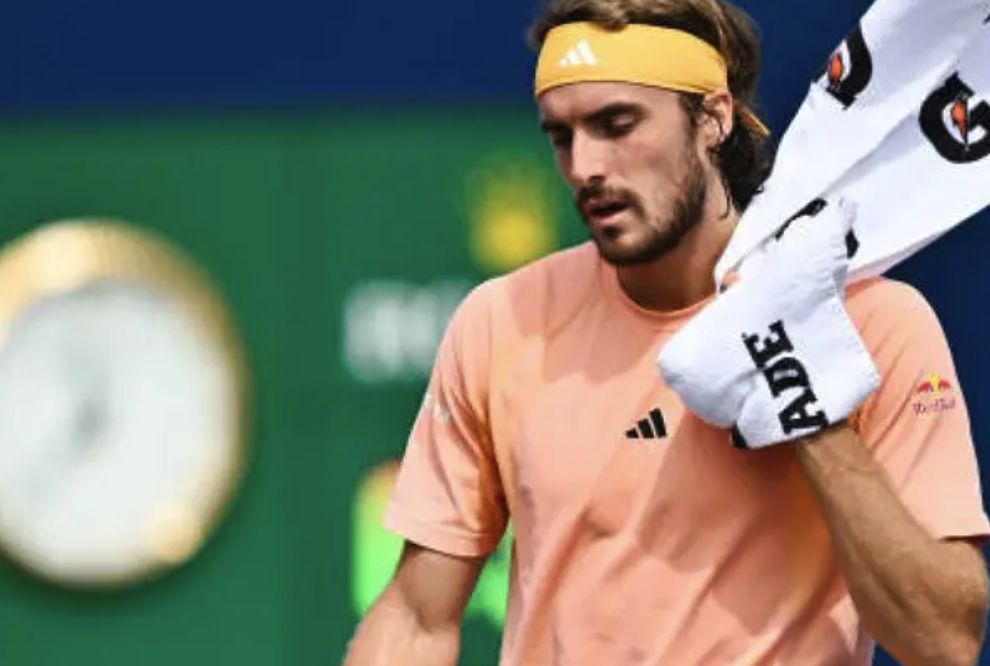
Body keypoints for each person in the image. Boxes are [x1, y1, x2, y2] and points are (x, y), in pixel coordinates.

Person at [344, 0, 990, 663]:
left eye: (616, 124)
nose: (585, 166)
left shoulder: (880, 324)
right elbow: (417, 618)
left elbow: (942, 641)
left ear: (713, 119)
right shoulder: (499, 320)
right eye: (561, 136)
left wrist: (803, 384)